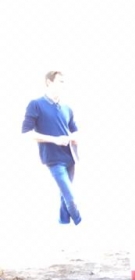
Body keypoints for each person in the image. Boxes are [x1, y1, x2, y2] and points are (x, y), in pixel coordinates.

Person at [21, 71, 81, 226]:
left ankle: (63, 224)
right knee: (71, 198)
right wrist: (55, 140)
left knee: (64, 196)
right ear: (49, 82)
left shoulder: (67, 108)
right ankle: (81, 223)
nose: (63, 85)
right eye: (60, 81)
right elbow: (26, 133)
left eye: (64, 82)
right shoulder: (36, 104)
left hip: (71, 158)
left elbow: (75, 130)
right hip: (53, 160)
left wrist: (74, 137)